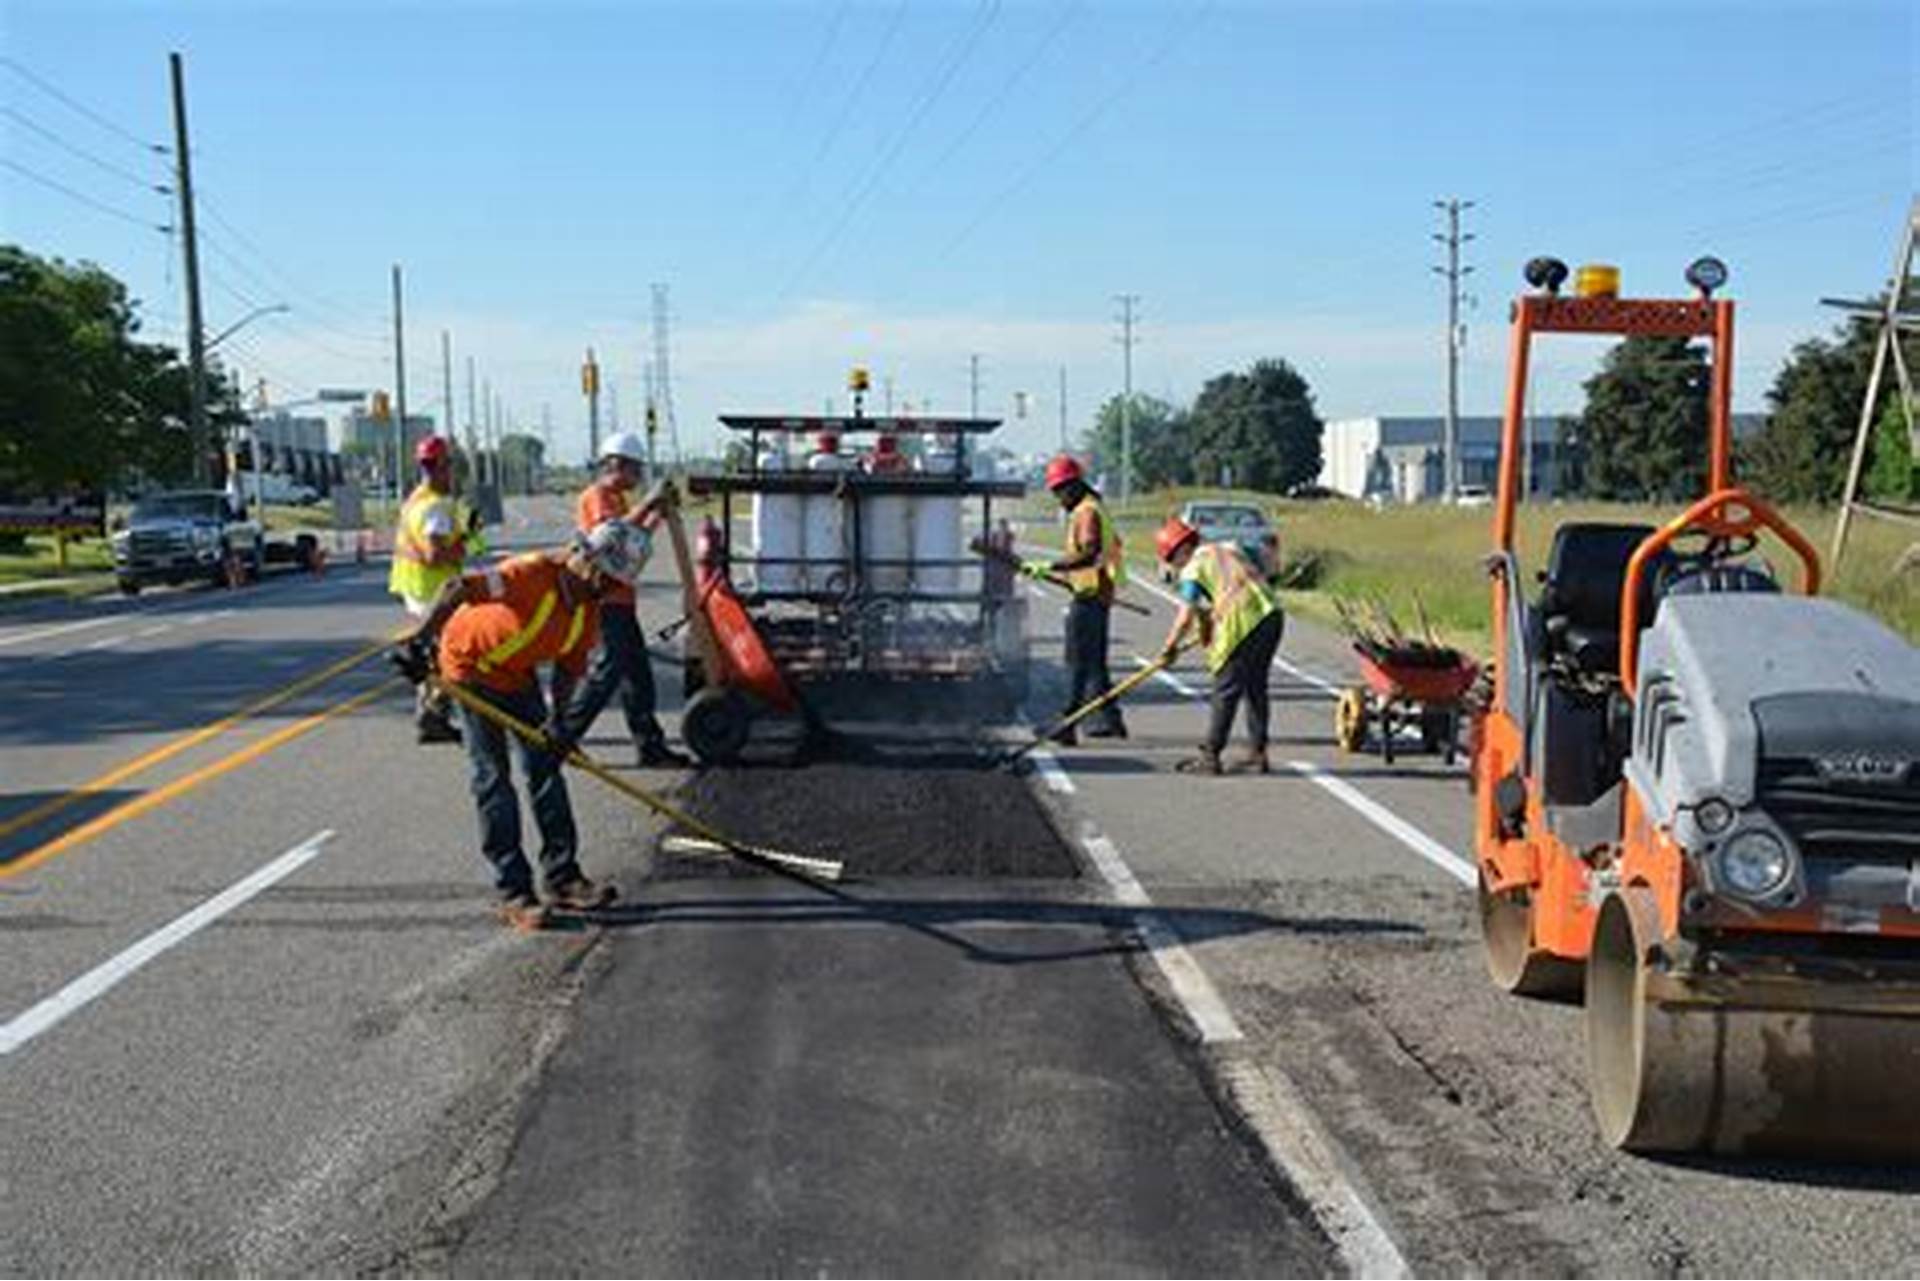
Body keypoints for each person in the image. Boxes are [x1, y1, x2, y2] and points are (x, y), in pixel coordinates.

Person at [393, 522, 643, 929]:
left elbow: (568, 671)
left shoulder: (588, 612)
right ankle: (513, 891)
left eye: (610, 583)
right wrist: (419, 640)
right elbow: (459, 587)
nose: (600, 586)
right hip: (468, 669)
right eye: (599, 574)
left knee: (546, 768)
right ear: (582, 557)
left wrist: (559, 726)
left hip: (515, 675)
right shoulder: (528, 574)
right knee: (493, 777)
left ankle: (563, 878)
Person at [572, 432, 690, 768]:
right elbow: (608, 538)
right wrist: (647, 504)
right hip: (604, 599)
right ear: (614, 464)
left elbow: (633, 539)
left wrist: (658, 514)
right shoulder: (596, 496)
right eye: (634, 469)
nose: (638, 477)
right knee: (606, 674)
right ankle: (563, 736)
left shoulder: (619, 500)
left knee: (637, 676)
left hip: (621, 598)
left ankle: (650, 745)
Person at [1153, 515, 1285, 776]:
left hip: (1245, 622)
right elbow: (1265, 568)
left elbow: (1185, 615)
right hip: (1272, 615)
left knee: (1226, 689)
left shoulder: (1193, 567)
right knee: (1255, 686)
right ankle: (1258, 754)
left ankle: (1210, 756)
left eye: (1172, 559)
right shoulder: (1228, 547)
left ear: (1180, 551)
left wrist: (1169, 647)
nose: (1174, 566)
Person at [1021, 454, 1127, 744]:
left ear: (1073, 486)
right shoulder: (1095, 507)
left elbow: (1090, 552)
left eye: (1059, 491)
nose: (1058, 498)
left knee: (1077, 663)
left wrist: (1051, 566)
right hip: (1096, 593)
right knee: (1095, 664)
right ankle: (1109, 721)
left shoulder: (1086, 512)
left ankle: (1066, 725)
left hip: (1090, 596)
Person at [389, 435, 484, 744]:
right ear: (443, 465)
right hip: (432, 590)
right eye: (448, 465)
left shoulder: (416, 499)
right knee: (454, 655)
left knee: (435, 656)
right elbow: (434, 555)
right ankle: (435, 716)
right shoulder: (434, 508)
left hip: (417, 589)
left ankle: (431, 718)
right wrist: (467, 540)